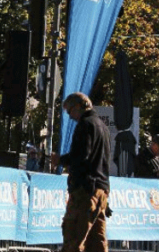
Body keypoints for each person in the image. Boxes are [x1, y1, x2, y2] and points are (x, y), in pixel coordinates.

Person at [51, 92, 111, 252]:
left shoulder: (85, 124)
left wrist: (61, 160)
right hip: (102, 190)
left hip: (85, 190)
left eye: (70, 111)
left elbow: (81, 156)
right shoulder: (102, 126)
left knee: (74, 239)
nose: (70, 117)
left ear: (78, 106)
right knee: (97, 242)